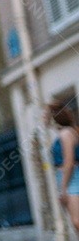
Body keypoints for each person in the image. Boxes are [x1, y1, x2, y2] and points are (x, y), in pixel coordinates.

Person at [47, 100, 79, 233]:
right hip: (68, 177)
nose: (44, 118)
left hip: (71, 178)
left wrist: (63, 187)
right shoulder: (69, 131)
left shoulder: (66, 133)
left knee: (77, 221)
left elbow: (69, 161)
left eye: (46, 114)